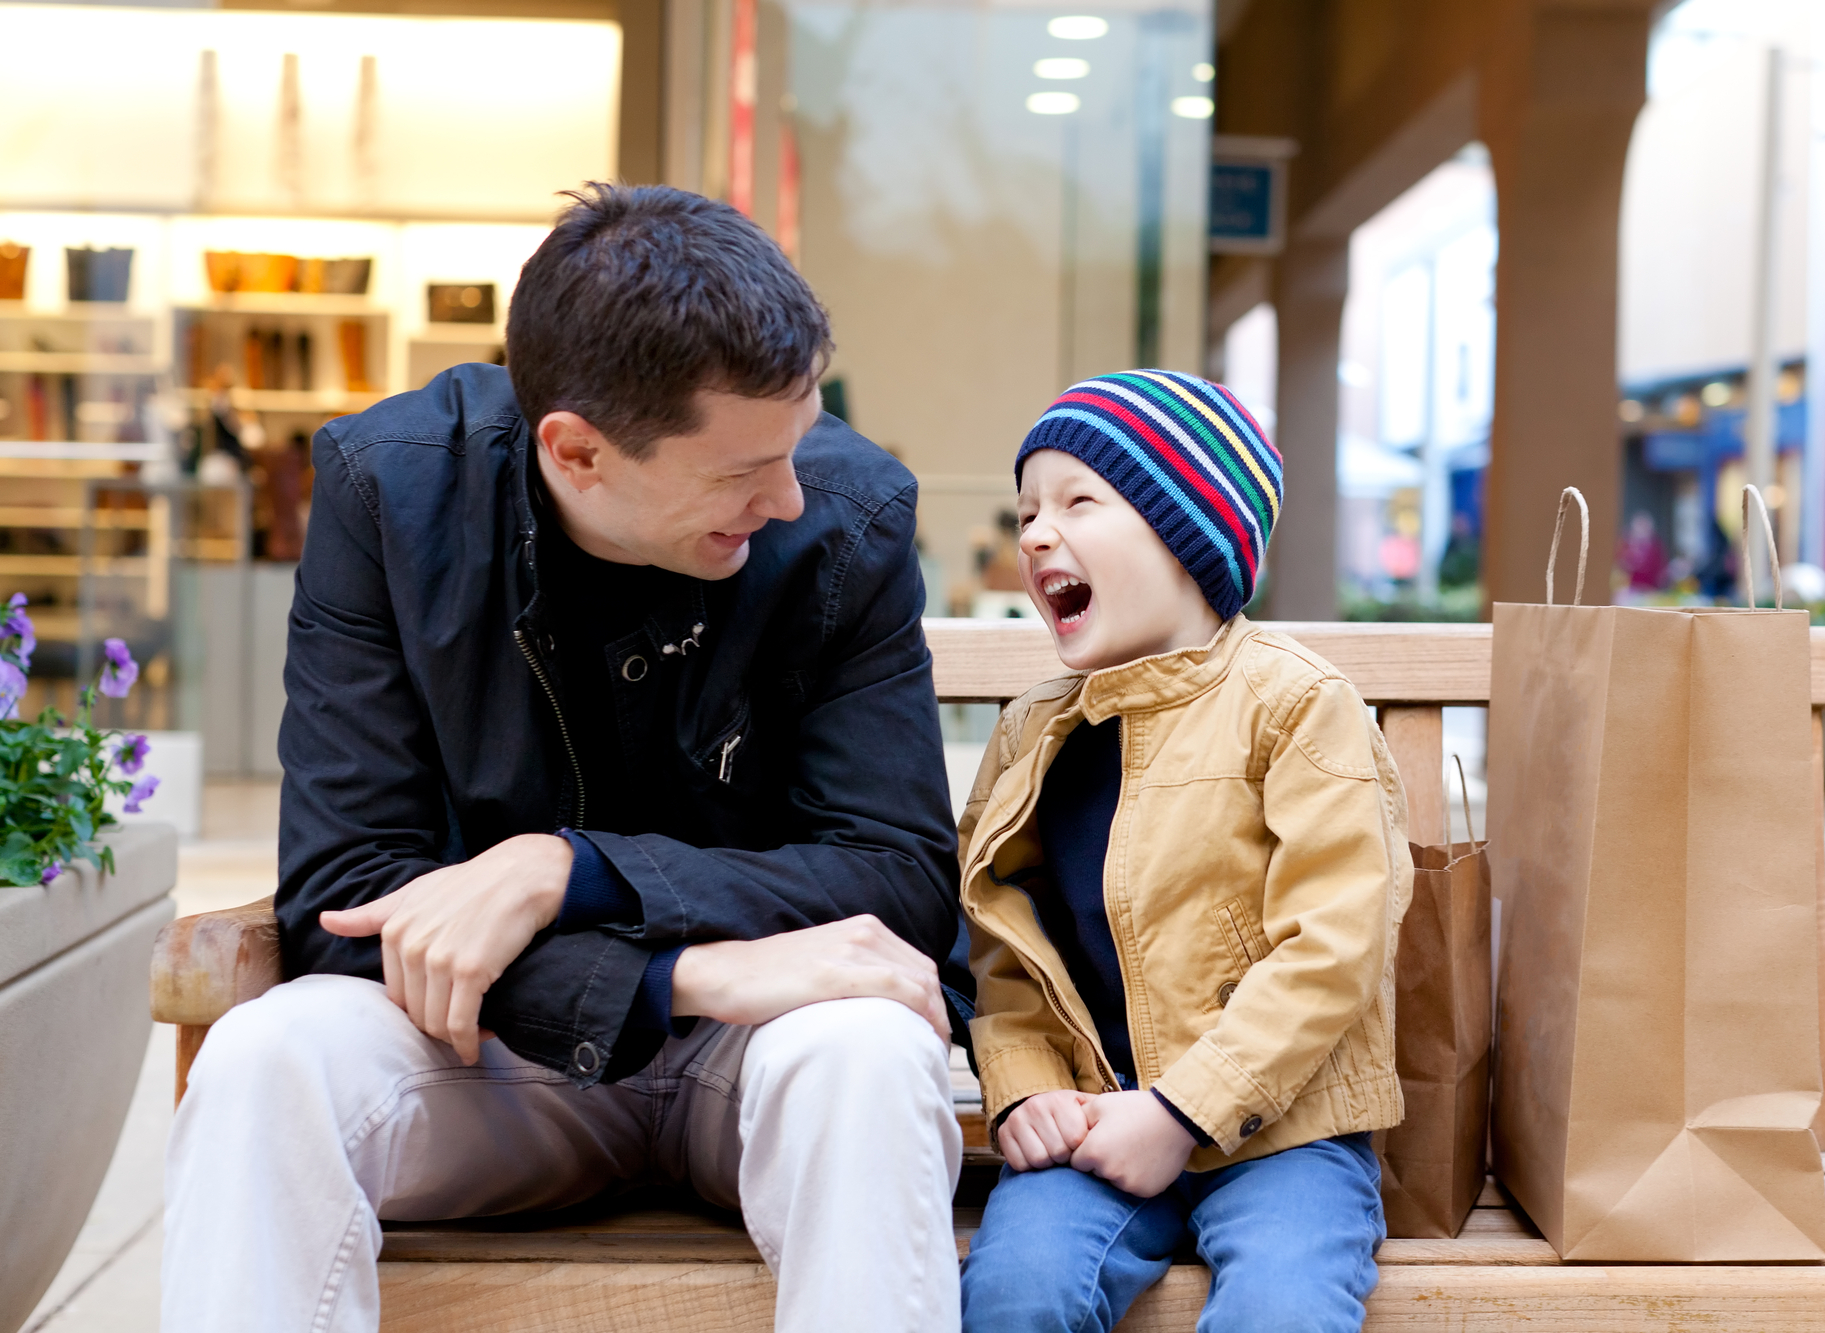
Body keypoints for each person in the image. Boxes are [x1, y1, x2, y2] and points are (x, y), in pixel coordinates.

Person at [161, 185, 967, 1333]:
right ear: (578, 452)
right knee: (259, 1063)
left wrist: (566, 866)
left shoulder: (848, 519)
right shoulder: (386, 493)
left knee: (873, 1054)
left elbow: (896, 873)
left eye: (795, 442)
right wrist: (668, 978)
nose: (788, 495)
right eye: (743, 470)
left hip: (761, 1059)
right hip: (486, 1051)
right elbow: (344, 897)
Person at [955, 371, 1414, 1332]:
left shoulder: (1291, 706)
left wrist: (1183, 1111)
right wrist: (1025, 1089)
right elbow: (1000, 949)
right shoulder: (1035, 730)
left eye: (1080, 500)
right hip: (1091, 1118)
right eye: (1028, 507)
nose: (1037, 532)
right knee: (1015, 1292)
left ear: (1188, 536)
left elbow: (1333, 946)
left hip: (1284, 1130)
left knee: (1281, 1311)